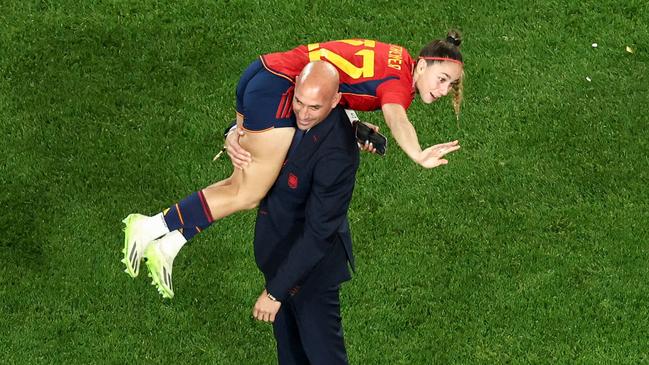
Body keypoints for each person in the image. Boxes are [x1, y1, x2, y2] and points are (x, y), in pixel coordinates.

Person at [121, 31, 464, 299]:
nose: (445, 89)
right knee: (250, 192)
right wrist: (417, 153)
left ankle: (170, 244)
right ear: (422, 65)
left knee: (247, 180)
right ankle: (150, 227)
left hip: (262, 74)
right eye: (442, 78)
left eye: (451, 84)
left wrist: (351, 123)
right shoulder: (399, 85)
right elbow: (395, 115)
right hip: (280, 91)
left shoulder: (396, 57)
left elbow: (338, 84)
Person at [251, 61, 357, 364]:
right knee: (290, 355)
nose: (302, 113)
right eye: (299, 101)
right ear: (295, 86)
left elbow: (318, 232)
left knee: (324, 358)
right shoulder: (288, 105)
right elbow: (255, 117)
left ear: (336, 101)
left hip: (311, 275)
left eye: (314, 107)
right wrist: (234, 132)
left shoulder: (337, 151)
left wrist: (275, 293)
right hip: (278, 258)